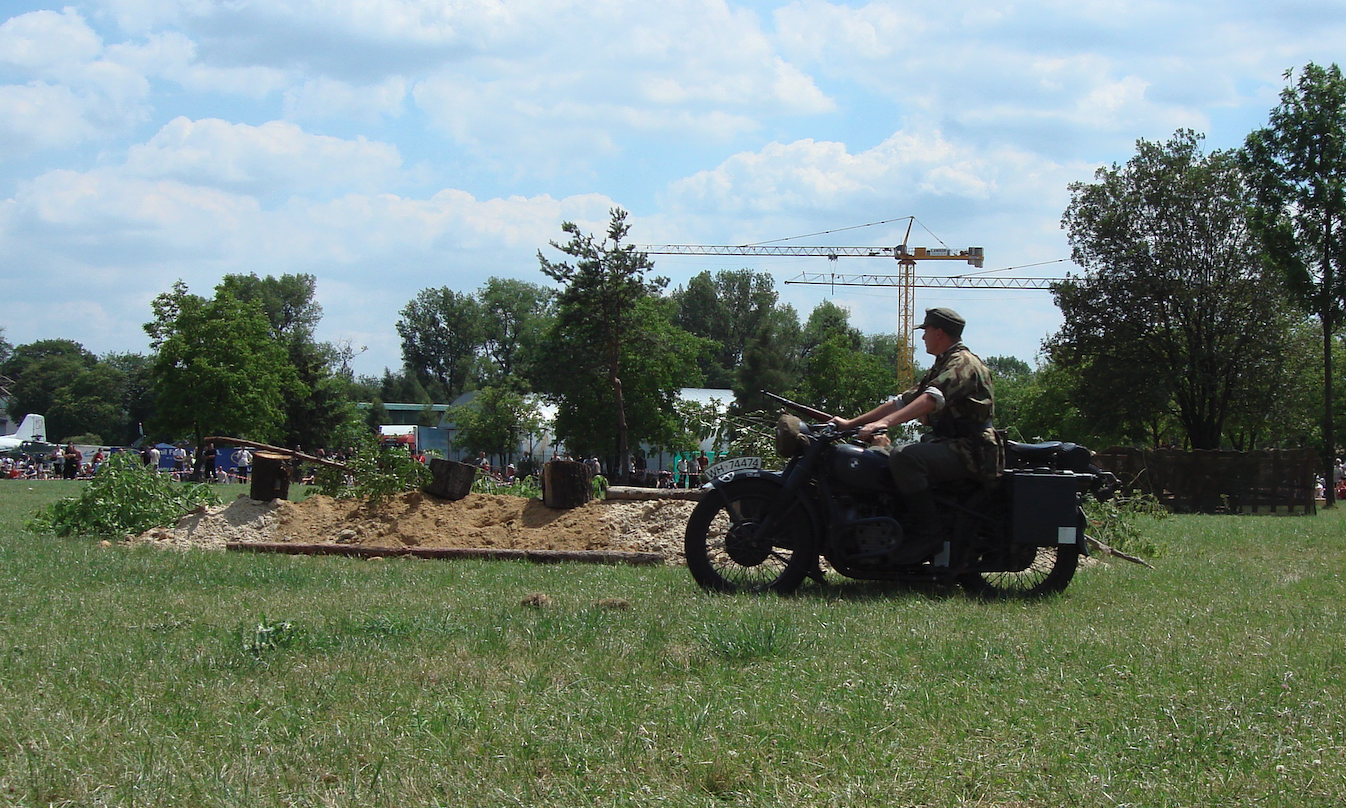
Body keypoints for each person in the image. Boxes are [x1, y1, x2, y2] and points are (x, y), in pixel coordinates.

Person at [831, 307, 997, 544]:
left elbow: (931, 399)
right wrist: (850, 424)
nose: (922, 337)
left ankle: (928, 533)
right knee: (886, 459)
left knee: (904, 458)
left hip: (971, 449)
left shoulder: (963, 364)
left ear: (939, 333)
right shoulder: (944, 363)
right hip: (953, 444)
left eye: (925, 331)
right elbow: (902, 401)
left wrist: (883, 423)